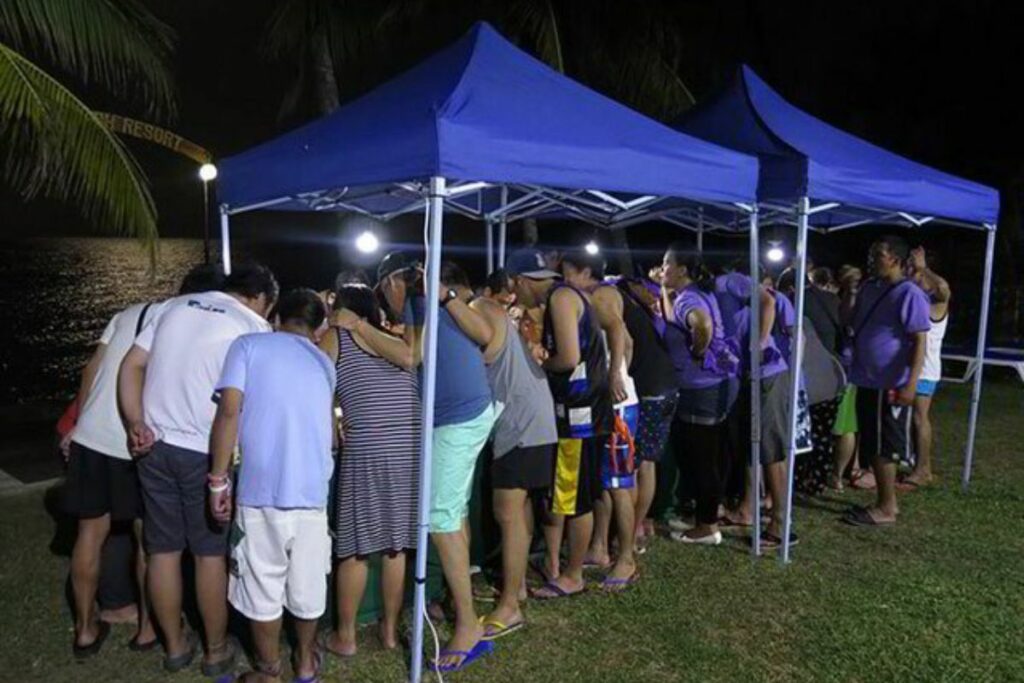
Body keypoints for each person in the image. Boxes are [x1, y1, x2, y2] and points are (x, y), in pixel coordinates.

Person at [118, 262, 277, 675]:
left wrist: (136, 422)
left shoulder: (170, 308)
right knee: (209, 555)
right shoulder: (253, 326)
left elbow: (130, 366)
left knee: (163, 551)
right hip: (206, 452)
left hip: (154, 444)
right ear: (261, 299)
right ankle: (216, 649)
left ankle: (173, 647)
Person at [61, 265, 224, 658]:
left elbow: (91, 370)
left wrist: (78, 424)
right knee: (150, 542)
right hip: (136, 443)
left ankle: (85, 630)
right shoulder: (181, 320)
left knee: (89, 536)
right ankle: (148, 629)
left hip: (90, 438)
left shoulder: (128, 312)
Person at [375, 253, 497, 673]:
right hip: (464, 411)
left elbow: (412, 356)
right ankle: (459, 606)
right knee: (454, 513)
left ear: (392, 283)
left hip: (460, 415)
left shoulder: (423, 299)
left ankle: (468, 627)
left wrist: (357, 330)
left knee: (441, 518)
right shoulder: (420, 303)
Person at [207, 289, 334, 683]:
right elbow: (329, 433)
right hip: (312, 491)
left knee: (262, 585)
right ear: (318, 328)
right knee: (308, 584)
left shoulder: (247, 345)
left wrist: (217, 479)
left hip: (262, 489)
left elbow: (229, 412)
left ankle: (269, 671)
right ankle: (306, 662)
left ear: (276, 318)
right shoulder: (324, 362)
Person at [320, 284, 420, 657]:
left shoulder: (338, 337)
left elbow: (317, 388)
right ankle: (390, 631)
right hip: (408, 447)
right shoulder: (396, 339)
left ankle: (345, 637)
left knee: (356, 548)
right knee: (395, 545)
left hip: (368, 449)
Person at [508, 249, 614, 598]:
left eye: (514, 287)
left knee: (576, 495)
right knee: (572, 492)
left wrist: (541, 363)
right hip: (585, 409)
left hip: (580, 412)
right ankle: (564, 568)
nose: (515, 295)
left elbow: (568, 357)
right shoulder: (566, 295)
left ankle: (573, 575)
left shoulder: (561, 299)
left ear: (523, 281)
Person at [471, 270, 557, 638]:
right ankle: (516, 587)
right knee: (518, 509)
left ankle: (509, 607)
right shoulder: (499, 314)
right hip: (536, 418)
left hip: (520, 424)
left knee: (506, 511)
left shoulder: (479, 308)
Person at [559, 248, 639, 590]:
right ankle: (600, 547)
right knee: (606, 481)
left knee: (620, 484)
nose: (562, 281)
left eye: (566, 273)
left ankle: (627, 559)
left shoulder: (599, 295)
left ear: (582, 271)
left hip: (615, 404)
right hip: (609, 399)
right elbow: (629, 341)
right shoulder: (595, 295)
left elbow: (620, 330)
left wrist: (615, 376)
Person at [842, 236, 930, 527]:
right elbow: (849, 321)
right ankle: (882, 499)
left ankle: (887, 507)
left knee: (885, 445)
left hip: (890, 381)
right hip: (866, 377)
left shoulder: (910, 293)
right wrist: (849, 293)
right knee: (872, 443)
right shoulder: (870, 287)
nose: (872, 259)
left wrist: (911, 383)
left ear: (894, 259)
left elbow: (919, 341)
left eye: (878, 254)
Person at [658, 244, 739, 546]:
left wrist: (697, 349)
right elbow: (674, 315)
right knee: (702, 453)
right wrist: (665, 291)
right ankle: (705, 515)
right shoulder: (694, 294)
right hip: (716, 383)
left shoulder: (690, 298)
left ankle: (706, 526)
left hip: (702, 387)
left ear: (682, 269)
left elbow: (700, 323)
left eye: (667, 264)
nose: (662, 268)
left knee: (702, 457)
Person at [613, 276, 679, 553]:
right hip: (668, 387)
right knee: (648, 462)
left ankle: (633, 529)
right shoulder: (643, 311)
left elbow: (626, 346)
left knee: (635, 463)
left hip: (649, 390)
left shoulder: (620, 309)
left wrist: (619, 375)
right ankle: (642, 522)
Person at [900, 247, 950, 490]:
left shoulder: (935, 302)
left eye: (912, 269)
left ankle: (923, 470)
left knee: (920, 419)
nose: (909, 272)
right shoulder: (914, 299)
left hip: (926, 369)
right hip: (911, 368)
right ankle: (917, 465)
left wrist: (923, 268)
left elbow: (944, 290)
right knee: (912, 420)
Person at [830, 266, 870, 491]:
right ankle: (852, 467)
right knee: (851, 424)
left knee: (845, 426)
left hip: (848, 368)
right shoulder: (864, 300)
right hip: (855, 367)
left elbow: (846, 324)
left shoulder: (852, 302)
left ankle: (837, 474)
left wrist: (851, 294)